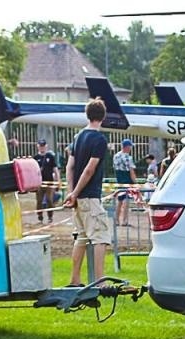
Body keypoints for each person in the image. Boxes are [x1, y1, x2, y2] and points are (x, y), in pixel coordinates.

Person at [62, 99, 111, 287]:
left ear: (87, 115)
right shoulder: (99, 139)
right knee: (100, 237)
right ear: (103, 116)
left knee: (81, 237)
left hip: (78, 197)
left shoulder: (78, 137)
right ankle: (100, 281)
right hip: (89, 195)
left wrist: (71, 192)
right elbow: (89, 170)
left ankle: (75, 279)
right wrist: (76, 192)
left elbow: (70, 166)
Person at [33, 138, 58, 224]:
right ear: (38, 146)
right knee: (39, 201)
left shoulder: (50, 157)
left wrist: (57, 181)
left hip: (49, 182)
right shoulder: (35, 158)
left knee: (49, 200)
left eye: (43, 146)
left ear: (46, 146)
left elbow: (55, 169)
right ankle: (40, 217)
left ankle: (50, 217)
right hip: (39, 183)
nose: (42, 147)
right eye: (40, 146)